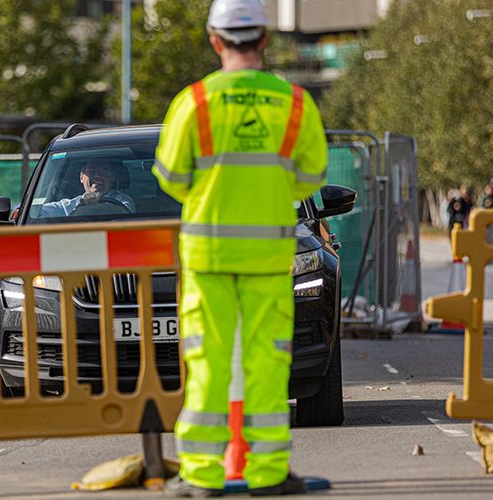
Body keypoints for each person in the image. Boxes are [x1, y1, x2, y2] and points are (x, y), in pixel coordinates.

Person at [153, 0, 327, 496]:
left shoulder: (196, 102)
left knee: (207, 364)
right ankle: (268, 474)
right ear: (265, 40)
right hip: (271, 260)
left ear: (215, 40)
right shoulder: (295, 104)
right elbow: (310, 178)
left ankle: (203, 477)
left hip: (208, 260)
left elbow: (170, 178)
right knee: (267, 364)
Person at [39, 159, 135, 216]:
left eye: (105, 170)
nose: (98, 176)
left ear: (112, 178)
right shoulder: (66, 206)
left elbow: (126, 218)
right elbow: (34, 213)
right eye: (91, 170)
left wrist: (96, 204)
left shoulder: (123, 201)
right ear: (81, 177)